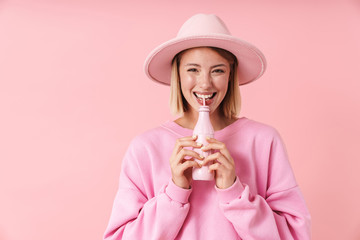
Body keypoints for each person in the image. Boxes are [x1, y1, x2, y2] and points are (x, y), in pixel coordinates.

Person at [104, 13, 311, 240]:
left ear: (231, 74)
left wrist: (233, 191)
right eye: (193, 69)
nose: (205, 83)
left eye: (218, 70)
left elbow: (295, 235)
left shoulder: (264, 141)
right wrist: (175, 191)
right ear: (178, 75)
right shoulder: (145, 148)